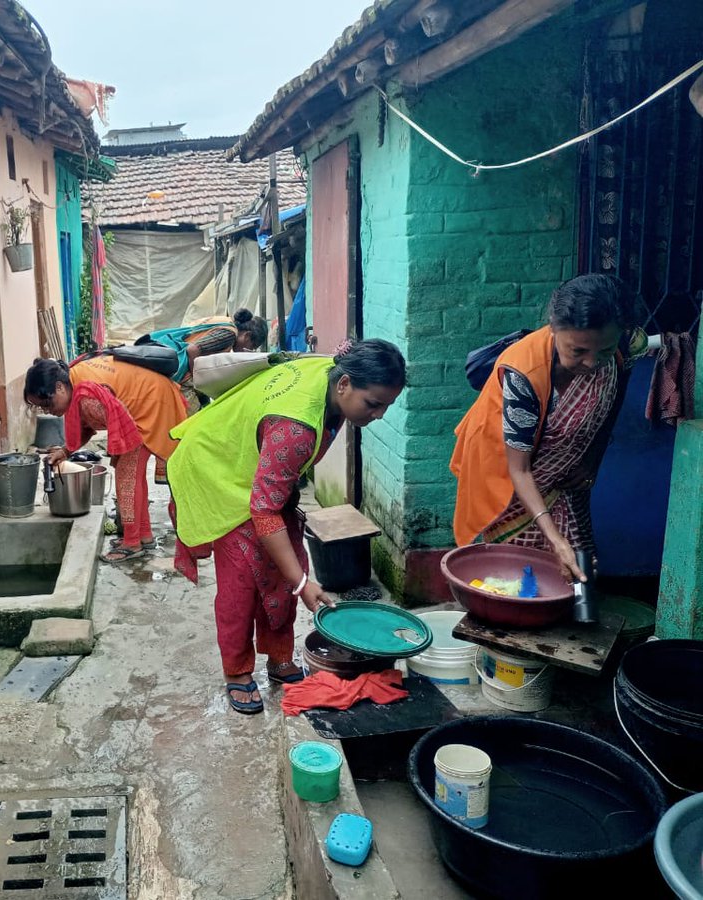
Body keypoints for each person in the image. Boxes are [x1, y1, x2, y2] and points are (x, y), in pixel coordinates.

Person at [167, 340, 406, 713]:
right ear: (343, 385)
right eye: (373, 404)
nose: (378, 415)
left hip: (255, 473)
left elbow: (270, 504)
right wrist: (302, 584)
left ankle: (279, 657)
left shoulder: (333, 371)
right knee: (241, 586)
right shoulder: (295, 428)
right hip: (217, 470)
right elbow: (263, 512)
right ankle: (238, 672)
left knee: (282, 569)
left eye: (386, 406)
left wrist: (294, 578)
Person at [450, 274, 641, 582]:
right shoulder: (524, 373)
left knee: (577, 569)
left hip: (561, 477)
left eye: (602, 351)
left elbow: (614, 401)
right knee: (515, 575)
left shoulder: (619, 350)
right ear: (554, 327)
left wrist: (592, 458)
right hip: (506, 473)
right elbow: (520, 471)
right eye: (578, 351)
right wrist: (555, 539)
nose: (592, 363)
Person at [25, 355, 186, 563]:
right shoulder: (73, 380)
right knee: (132, 474)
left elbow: (120, 425)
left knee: (126, 478)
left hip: (150, 404)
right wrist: (65, 452)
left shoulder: (86, 397)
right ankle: (143, 536)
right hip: (150, 399)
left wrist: (120, 456)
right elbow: (89, 426)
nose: (48, 410)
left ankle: (132, 544)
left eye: (47, 403)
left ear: (59, 387)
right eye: (41, 408)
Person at [137, 308, 269, 384]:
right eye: (252, 346)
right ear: (247, 336)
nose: (249, 351)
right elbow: (192, 349)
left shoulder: (223, 321)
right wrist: (198, 382)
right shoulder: (229, 334)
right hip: (177, 365)